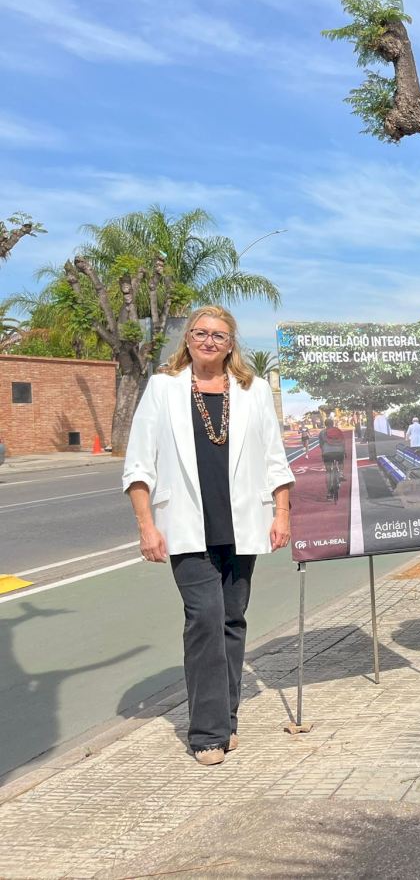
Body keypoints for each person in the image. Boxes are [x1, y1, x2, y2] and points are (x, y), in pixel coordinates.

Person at [123, 305, 294, 767]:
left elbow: (275, 458)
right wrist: (146, 525)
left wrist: (281, 514)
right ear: (188, 339)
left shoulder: (253, 390)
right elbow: (138, 463)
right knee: (205, 618)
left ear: (231, 343)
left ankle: (227, 718)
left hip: (243, 524)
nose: (209, 341)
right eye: (200, 333)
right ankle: (206, 733)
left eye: (219, 335)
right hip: (185, 527)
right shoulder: (163, 388)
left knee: (232, 620)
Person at [318, 418, 345, 499]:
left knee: (328, 471)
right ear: (333, 424)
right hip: (339, 452)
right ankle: (341, 473)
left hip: (327, 453)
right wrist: (344, 451)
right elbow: (343, 441)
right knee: (341, 460)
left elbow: (321, 445)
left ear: (325, 424)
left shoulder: (322, 433)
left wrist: (324, 452)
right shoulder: (338, 430)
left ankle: (329, 493)